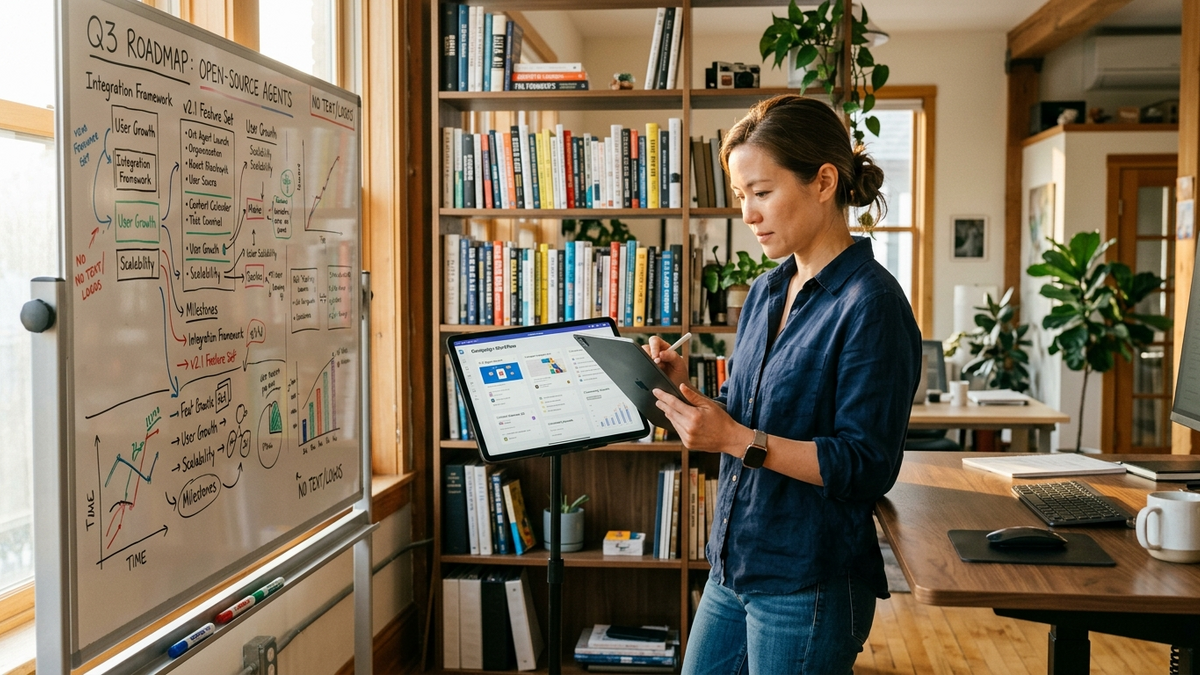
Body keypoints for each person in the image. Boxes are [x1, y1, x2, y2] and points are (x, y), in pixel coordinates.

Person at [646, 95, 921, 674]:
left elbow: (865, 464)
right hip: (733, 565)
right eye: (742, 195)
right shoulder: (769, 290)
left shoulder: (872, 305)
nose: (747, 213)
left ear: (824, 182)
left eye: (762, 192)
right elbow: (750, 420)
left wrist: (736, 440)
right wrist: (683, 392)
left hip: (809, 583)